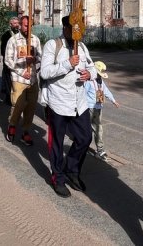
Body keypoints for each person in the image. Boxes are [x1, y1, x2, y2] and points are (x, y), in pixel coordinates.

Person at [39, 15, 96, 198]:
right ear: (65, 28)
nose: (76, 33)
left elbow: (93, 67)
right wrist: (67, 64)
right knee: (56, 144)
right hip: (58, 103)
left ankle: (72, 170)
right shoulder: (52, 45)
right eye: (73, 29)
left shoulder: (83, 46)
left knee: (85, 138)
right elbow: (45, 72)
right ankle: (58, 178)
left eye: (79, 29)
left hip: (79, 103)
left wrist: (89, 74)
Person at [4, 15, 42, 145]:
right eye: (26, 25)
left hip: (32, 79)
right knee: (18, 104)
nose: (28, 28)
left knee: (31, 106)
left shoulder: (35, 40)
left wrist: (34, 60)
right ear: (20, 25)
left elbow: (40, 57)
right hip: (18, 78)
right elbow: (8, 61)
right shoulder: (13, 40)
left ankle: (26, 131)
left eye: (30, 26)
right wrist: (22, 66)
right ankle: (12, 125)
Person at [86, 60, 120, 161]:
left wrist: (113, 100)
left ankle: (97, 149)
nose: (100, 76)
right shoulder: (89, 81)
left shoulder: (100, 81)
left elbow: (106, 91)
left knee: (96, 129)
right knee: (94, 129)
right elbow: (82, 94)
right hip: (90, 108)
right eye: (99, 74)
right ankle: (97, 150)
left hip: (99, 107)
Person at [0, 17, 20, 105]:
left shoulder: (20, 34)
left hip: (19, 61)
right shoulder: (6, 35)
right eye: (14, 23)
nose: (16, 25)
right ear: (10, 24)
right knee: (8, 79)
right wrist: (8, 60)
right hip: (9, 61)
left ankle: (18, 96)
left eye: (17, 23)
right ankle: (8, 97)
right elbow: (3, 49)